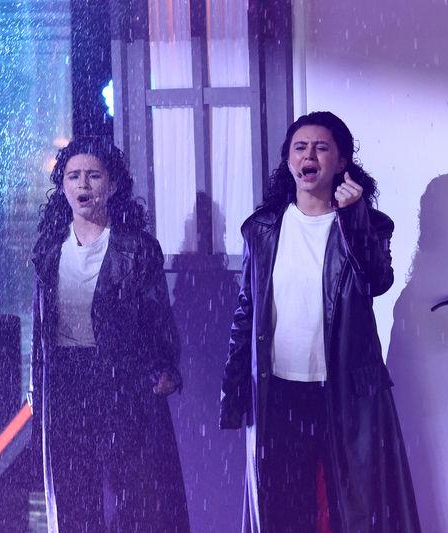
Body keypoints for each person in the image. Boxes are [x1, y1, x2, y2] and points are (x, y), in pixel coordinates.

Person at [219, 112, 421, 532]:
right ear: (289, 160)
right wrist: (234, 389)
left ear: (341, 161)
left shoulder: (369, 224)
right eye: (300, 147)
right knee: (284, 509)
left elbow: (376, 281)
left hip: (345, 392)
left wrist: (352, 217)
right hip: (278, 391)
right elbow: (245, 312)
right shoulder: (261, 229)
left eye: (321, 147)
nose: (308, 155)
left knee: (353, 510)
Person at [30, 136, 190, 532]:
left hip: (122, 378)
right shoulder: (49, 249)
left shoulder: (137, 248)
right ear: (62, 186)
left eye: (93, 175)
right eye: (73, 176)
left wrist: (164, 367)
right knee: (73, 493)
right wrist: (37, 383)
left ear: (112, 185)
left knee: (136, 492)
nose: (83, 184)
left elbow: (157, 317)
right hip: (67, 381)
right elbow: (40, 328)